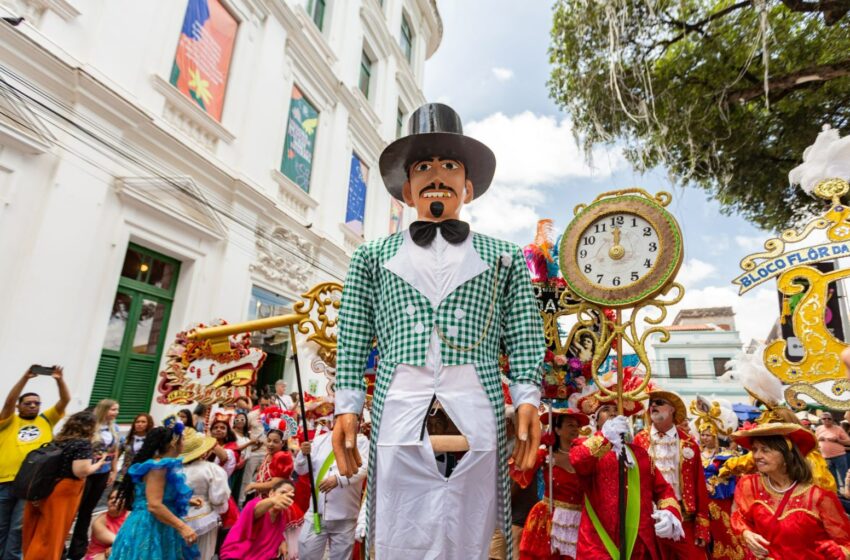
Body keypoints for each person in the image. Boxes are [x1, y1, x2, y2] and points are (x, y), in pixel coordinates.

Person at [333, 102, 545, 558]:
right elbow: (351, 339)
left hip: (472, 399)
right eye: (424, 166)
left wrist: (528, 398)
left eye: (450, 165)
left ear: (467, 187)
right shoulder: (371, 258)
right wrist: (345, 407)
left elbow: (525, 333)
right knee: (400, 507)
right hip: (402, 401)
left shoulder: (503, 257)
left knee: (468, 510)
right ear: (407, 192)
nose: (437, 174)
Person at [572, 388, 684, 559]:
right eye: (606, 410)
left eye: (617, 410)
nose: (613, 414)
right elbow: (579, 461)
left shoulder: (639, 453)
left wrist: (669, 512)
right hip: (599, 544)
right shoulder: (585, 445)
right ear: (595, 419)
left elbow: (662, 490)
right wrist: (605, 437)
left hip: (640, 544)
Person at [730, 422, 850, 559]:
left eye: (765, 450)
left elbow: (846, 543)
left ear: (786, 456)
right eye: (755, 449)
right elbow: (738, 516)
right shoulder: (749, 484)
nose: (757, 456)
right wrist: (746, 532)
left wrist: (840, 552)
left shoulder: (820, 497)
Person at [0, 365, 69, 560]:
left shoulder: (46, 420)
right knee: (1, 527)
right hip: (4, 481)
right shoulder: (8, 420)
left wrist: (59, 380)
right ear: (19, 406)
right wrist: (25, 378)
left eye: (36, 403)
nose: (33, 406)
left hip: (30, 484)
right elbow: (8, 402)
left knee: (17, 529)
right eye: (28, 403)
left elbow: (65, 401)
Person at [633, 389, 710, 558]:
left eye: (659, 403)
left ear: (672, 409)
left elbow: (700, 487)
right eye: (651, 402)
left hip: (685, 519)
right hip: (650, 519)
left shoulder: (689, 444)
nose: (653, 405)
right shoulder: (638, 441)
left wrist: (702, 527)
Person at [21, 410, 106, 560]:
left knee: (36, 531)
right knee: (52, 535)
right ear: (91, 427)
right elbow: (81, 471)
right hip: (64, 491)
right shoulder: (82, 445)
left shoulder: (58, 441)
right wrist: (98, 464)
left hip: (44, 488)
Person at [110, 425, 199, 560]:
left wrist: (187, 501)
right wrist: (183, 527)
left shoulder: (162, 466)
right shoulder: (157, 468)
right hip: (149, 526)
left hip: (160, 524)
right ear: (173, 443)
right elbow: (154, 505)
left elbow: (156, 495)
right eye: (183, 440)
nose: (184, 444)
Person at [513, 408, 588, 559]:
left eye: (576, 426)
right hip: (548, 519)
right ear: (557, 430)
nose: (575, 429)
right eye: (569, 425)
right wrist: (532, 443)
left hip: (578, 520)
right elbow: (520, 468)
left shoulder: (585, 457)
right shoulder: (546, 455)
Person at [296, 411, 369, 560]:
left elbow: (364, 468)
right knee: (307, 553)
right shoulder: (319, 441)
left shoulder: (361, 442)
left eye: (352, 420)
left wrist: (338, 479)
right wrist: (303, 454)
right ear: (335, 420)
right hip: (317, 513)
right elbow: (300, 469)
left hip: (345, 516)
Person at [689, 397, 747, 560]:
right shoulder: (695, 455)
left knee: (725, 535)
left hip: (722, 504)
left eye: (708, 434)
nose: (705, 438)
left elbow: (736, 479)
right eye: (702, 434)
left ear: (715, 435)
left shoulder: (727, 455)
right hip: (701, 503)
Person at [68, 399, 122, 560]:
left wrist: (113, 469)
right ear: (104, 410)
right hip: (86, 472)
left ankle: (77, 550)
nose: (116, 413)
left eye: (117, 410)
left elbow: (115, 449)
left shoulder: (115, 428)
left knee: (87, 511)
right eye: (113, 410)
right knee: (74, 509)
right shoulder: (91, 427)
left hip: (102, 472)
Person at [179, 428, 231, 560]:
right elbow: (218, 499)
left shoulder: (174, 470)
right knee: (203, 554)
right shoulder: (212, 469)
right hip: (204, 516)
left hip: (177, 518)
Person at [219, 480, 302, 560]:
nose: (284, 498)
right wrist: (273, 500)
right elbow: (255, 509)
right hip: (238, 555)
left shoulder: (282, 516)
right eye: (282, 493)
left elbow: (276, 533)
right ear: (271, 493)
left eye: (289, 496)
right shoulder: (254, 504)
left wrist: (282, 541)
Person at [238, 395, 270, 504]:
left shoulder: (274, 416)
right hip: (254, 452)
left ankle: (259, 502)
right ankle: (240, 503)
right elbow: (243, 430)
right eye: (262, 405)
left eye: (267, 405)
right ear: (258, 404)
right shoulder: (251, 415)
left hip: (267, 453)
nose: (264, 407)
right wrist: (250, 442)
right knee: (246, 479)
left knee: (265, 479)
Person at [244, 429, 293, 499]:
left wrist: (253, 486)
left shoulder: (282, 456)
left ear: (283, 443)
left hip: (274, 500)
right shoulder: (269, 454)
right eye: (269, 440)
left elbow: (275, 484)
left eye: (275, 442)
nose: (271, 444)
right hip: (262, 497)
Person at [83, 489, 128, 560]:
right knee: (114, 551)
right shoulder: (99, 522)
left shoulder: (131, 516)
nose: (113, 501)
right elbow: (118, 541)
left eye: (118, 498)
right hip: (99, 555)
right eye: (111, 498)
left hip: (123, 551)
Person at [816, 412, 850, 492]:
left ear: (832, 419)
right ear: (821, 420)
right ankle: (837, 494)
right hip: (826, 457)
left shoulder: (838, 428)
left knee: (845, 476)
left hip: (840, 456)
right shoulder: (818, 429)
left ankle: (848, 493)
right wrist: (818, 440)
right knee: (831, 478)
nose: (827, 420)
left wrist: (838, 440)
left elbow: (848, 442)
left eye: (829, 418)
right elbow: (815, 442)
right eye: (824, 418)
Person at [118, 413, 155, 482]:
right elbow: (116, 455)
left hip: (142, 476)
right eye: (137, 422)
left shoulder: (152, 441)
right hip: (124, 474)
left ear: (149, 424)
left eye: (143, 422)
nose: (139, 424)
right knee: (116, 491)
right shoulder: (126, 440)